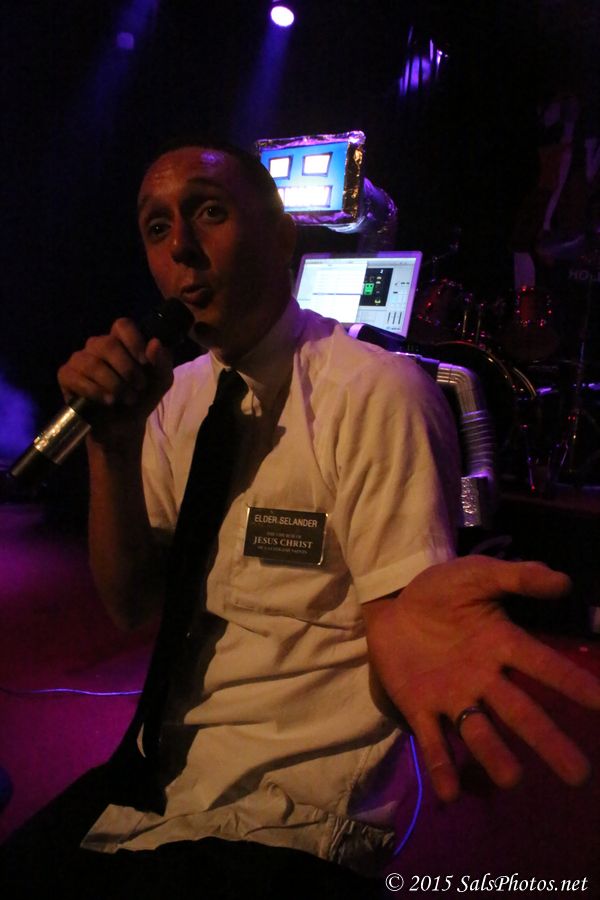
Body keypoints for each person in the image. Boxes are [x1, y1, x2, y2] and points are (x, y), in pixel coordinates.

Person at [1, 139, 599, 899]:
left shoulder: (376, 394)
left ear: (283, 237)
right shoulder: (173, 398)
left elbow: (402, 614)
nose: (180, 246)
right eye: (157, 227)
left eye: (208, 212)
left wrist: (408, 616)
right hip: (155, 777)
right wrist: (112, 451)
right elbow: (130, 605)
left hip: (295, 812)